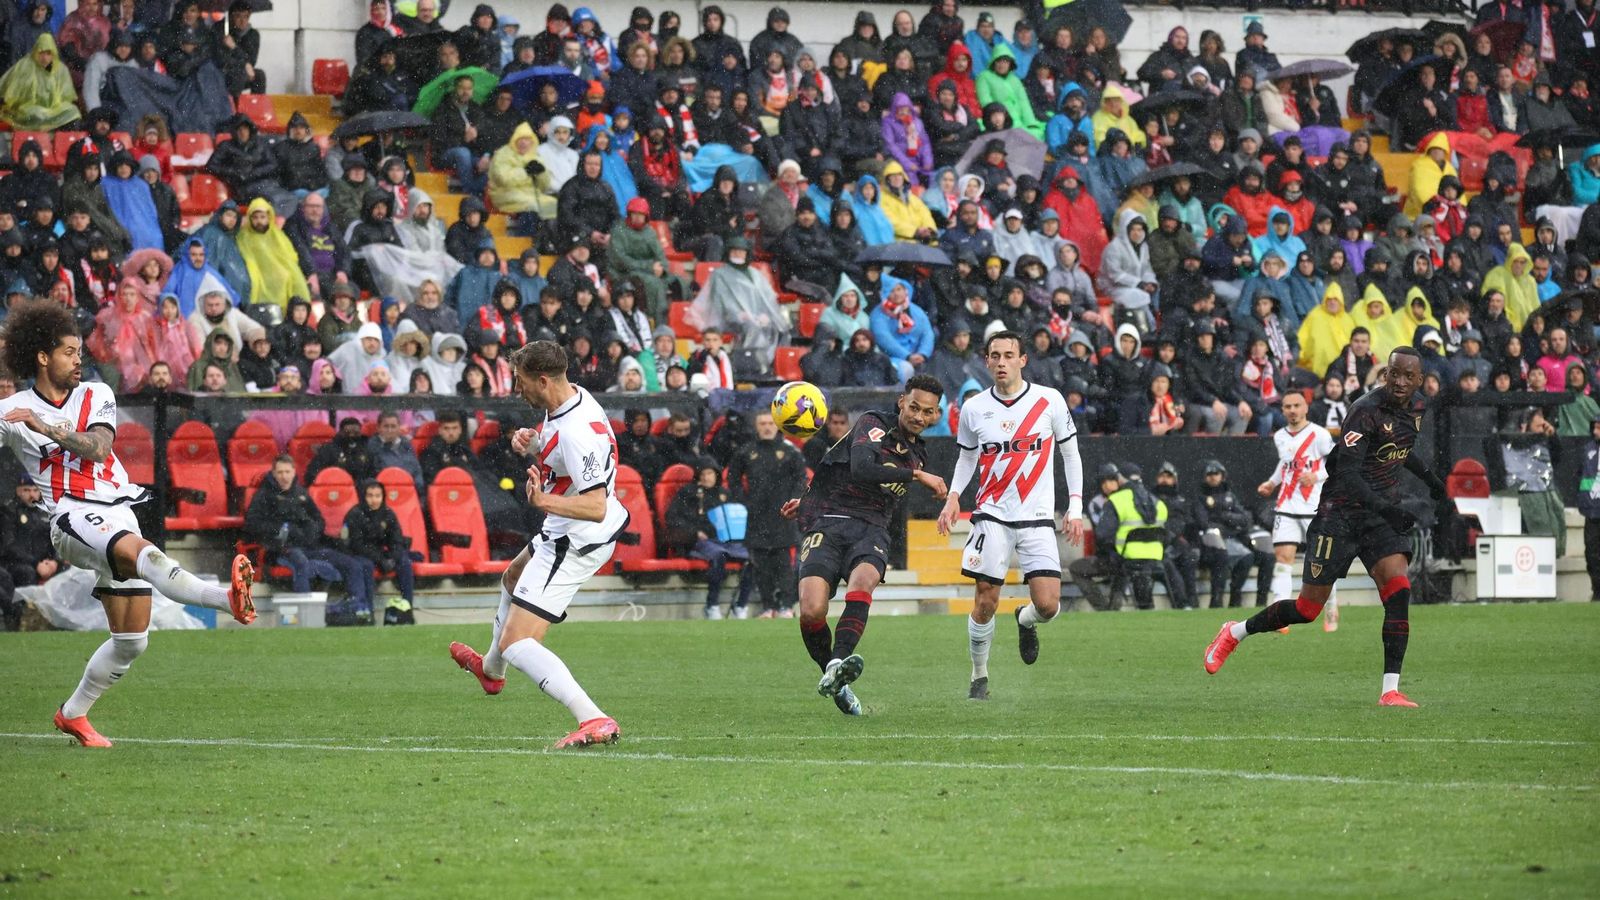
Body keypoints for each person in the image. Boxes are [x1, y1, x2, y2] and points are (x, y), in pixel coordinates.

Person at [0, 301, 255, 747]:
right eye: (67, 351)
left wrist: (47, 427)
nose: (78, 359)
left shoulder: (97, 393)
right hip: (72, 516)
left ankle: (72, 715)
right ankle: (227, 599)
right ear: (42, 357)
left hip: (117, 509)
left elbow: (98, 449)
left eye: (80, 351)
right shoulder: (13, 409)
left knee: (132, 641)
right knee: (145, 554)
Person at [1206, 348, 1453, 707]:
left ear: (1419, 380)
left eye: (1408, 377)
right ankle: (1235, 632)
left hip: (1378, 518)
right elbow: (1348, 476)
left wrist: (1431, 479)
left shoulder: (1417, 407)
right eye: (1393, 374)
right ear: (1385, 375)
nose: (1400, 382)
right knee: (1307, 610)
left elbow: (1400, 448)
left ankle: (1390, 690)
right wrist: (1388, 507)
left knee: (1398, 591)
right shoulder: (1364, 411)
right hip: (1338, 515)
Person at [447, 341, 629, 749]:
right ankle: (490, 672)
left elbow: (596, 504)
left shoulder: (575, 431)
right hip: (564, 529)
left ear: (543, 380)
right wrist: (533, 444)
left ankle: (594, 717)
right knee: (512, 577)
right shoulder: (570, 401)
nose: (518, 389)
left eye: (521, 381)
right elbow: (563, 448)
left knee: (518, 642)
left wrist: (543, 500)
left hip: (575, 537)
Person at [780, 375, 948, 714]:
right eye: (913, 407)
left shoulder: (919, 454)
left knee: (864, 581)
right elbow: (860, 468)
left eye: (927, 412)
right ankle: (833, 673)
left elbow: (852, 477)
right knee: (811, 611)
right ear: (902, 401)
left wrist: (810, 497)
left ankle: (839, 661)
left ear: (935, 416)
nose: (918, 416)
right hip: (829, 522)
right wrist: (915, 476)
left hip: (871, 528)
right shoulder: (874, 422)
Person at [937, 331, 1084, 700]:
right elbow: (968, 456)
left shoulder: (1048, 401)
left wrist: (1076, 507)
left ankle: (1025, 619)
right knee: (985, 600)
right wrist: (954, 496)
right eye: (995, 356)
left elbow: (1071, 455)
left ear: (1022, 360)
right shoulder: (974, 408)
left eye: (1008, 355)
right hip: (992, 515)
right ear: (987, 362)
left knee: (1049, 605)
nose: (1001, 362)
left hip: (1036, 517)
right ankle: (979, 676)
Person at [1255, 391, 1338, 628]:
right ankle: (1279, 617)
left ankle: (1331, 605)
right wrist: (1272, 483)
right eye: (1287, 406)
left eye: (1296, 405)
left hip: (1315, 506)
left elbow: (1337, 462)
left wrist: (1317, 475)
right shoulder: (1280, 436)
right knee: (1283, 559)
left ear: (1305, 408)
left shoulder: (1319, 434)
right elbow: (1285, 464)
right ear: (1282, 410)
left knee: (1320, 562)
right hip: (1286, 506)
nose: (1292, 410)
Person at [726, 411, 806, 617]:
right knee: (762, 566)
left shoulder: (790, 451)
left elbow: (801, 479)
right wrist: (742, 501)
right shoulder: (746, 452)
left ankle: (786, 606)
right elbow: (732, 477)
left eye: (770, 423)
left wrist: (794, 502)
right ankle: (768, 606)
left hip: (783, 516)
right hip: (757, 517)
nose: (767, 427)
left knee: (785, 565)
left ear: (777, 425)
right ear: (756, 426)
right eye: (762, 423)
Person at [342, 478, 418, 626]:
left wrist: (393, 558)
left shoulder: (388, 514)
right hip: (361, 554)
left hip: (381, 553)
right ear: (363, 496)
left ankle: (407, 608)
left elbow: (396, 540)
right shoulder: (355, 514)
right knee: (366, 566)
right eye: (370, 496)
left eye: (378, 496)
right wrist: (380, 560)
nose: (374, 500)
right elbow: (357, 545)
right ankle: (368, 612)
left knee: (404, 561)